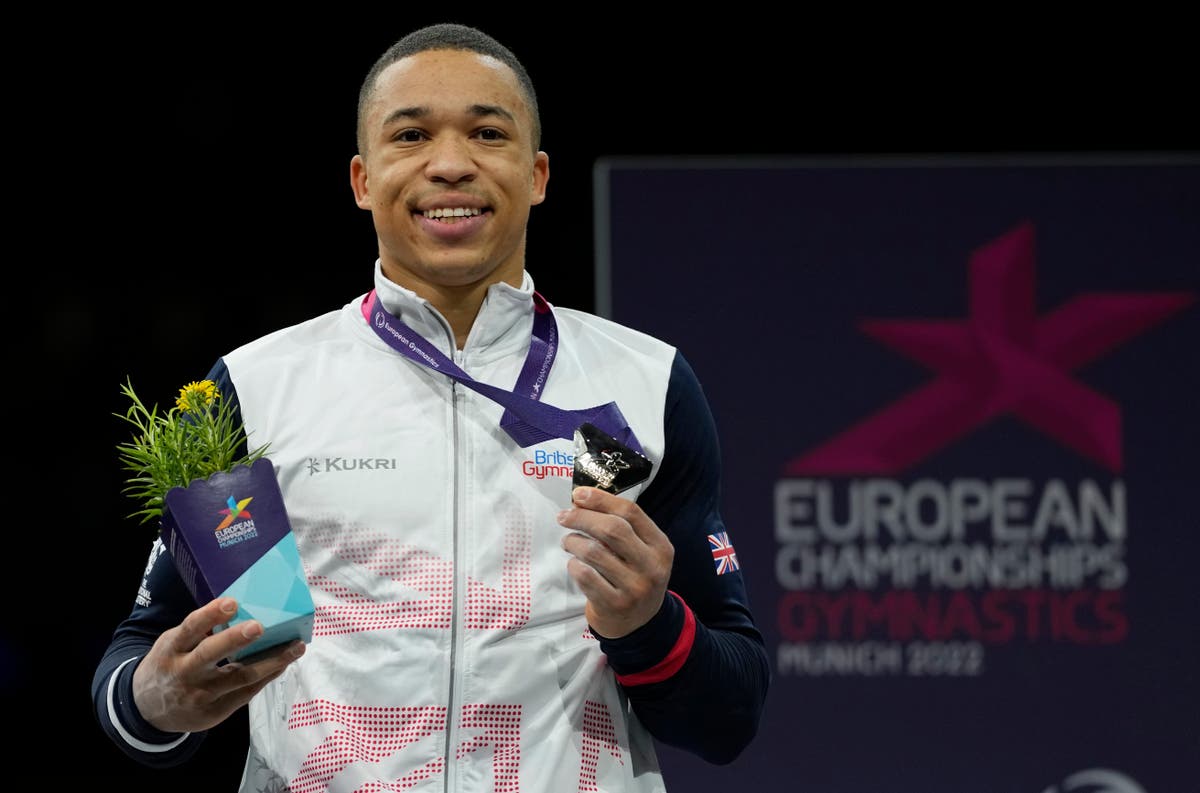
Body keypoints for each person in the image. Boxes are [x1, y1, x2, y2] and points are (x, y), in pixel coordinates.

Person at [91, 22, 770, 792]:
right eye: (410, 134)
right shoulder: (251, 387)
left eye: (487, 132)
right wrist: (159, 700)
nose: (450, 164)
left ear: (538, 173)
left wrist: (650, 627)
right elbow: (140, 666)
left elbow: (731, 715)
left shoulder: (647, 383)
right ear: (362, 179)